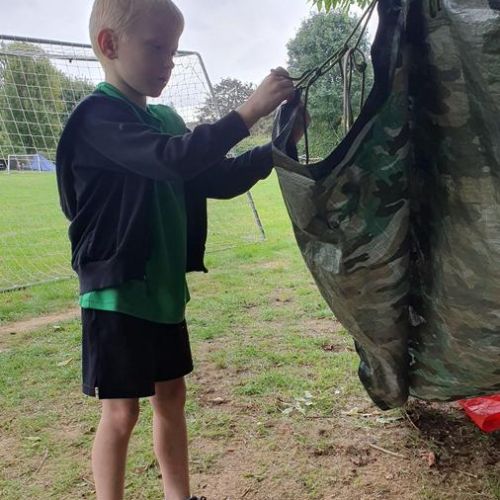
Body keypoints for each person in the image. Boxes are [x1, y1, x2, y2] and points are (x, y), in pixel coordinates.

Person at [56, 0, 304, 498]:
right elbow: (173, 160)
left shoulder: (167, 118)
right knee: (122, 411)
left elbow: (214, 176)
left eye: (173, 51)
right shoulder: (97, 119)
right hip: (117, 291)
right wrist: (250, 110)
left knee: (172, 395)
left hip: (164, 290)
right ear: (109, 45)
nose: (169, 62)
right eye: (156, 48)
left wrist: (276, 148)